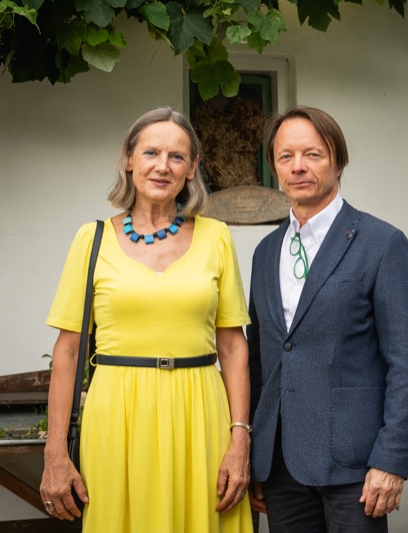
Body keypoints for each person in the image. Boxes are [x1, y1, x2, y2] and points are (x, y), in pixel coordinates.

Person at [40, 107, 253, 532]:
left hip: (201, 417)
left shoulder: (217, 237)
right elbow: (67, 352)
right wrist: (55, 451)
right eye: (151, 152)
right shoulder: (91, 239)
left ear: (191, 168)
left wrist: (240, 437)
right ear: (128, 159)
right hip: (115, 418)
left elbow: (232, 347)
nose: (162, 166)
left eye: (177, 156)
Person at [246, 106, 408, 532]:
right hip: (280, 465)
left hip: (356, 467)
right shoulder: (265, 252)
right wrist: (256, 455)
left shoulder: (381, 243)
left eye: (313, 154)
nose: (298, 167)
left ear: (338, 160)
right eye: (286, 156)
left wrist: (392, 460)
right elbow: (260, 360)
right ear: (274, 166)